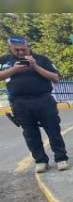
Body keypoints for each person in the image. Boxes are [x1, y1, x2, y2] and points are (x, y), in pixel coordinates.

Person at [0, 35, 68, 173]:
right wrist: (14, 70)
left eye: (23, 49)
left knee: (53, 129)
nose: (20, 52)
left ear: (28, 47)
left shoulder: (41, 59)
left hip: (43, 99)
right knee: (30, 133)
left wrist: (35, 66)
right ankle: (41, 161)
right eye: (16, 50)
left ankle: (61, 158)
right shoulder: (5, 61)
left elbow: (56, 78)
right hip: (19, 102)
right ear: (11, 48)